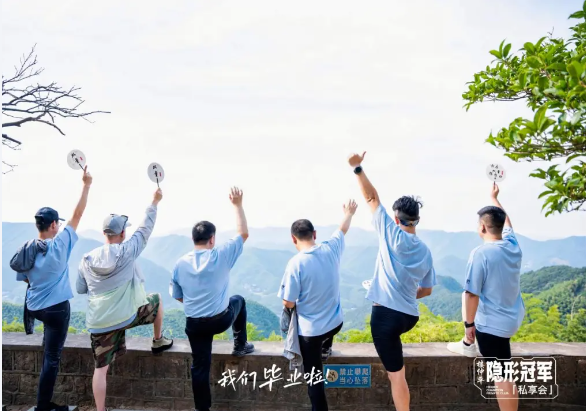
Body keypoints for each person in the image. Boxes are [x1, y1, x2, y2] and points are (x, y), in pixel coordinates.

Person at [348, 152, 436, 411]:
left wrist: (357, 167)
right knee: (397, 369)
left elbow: (371, 198)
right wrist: (405, 293)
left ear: (396, 219)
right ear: (417, 220)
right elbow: (427, 290)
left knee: (396, 376)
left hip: (385, 317)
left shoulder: (390, 233)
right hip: (409, 316)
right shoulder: (426, 251)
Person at [77, 188, 173, 411]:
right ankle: (158, 340)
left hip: (99, 322)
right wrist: (154, 202)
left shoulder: (86, 259)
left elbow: (81, 288)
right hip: (127, 316)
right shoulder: (127, 251)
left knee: (100, 370)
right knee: (157, 299)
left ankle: (100, 410)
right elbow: (145, 229)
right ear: (122, 233)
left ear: (104, 233)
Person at [11, 167, 92, 411]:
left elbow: (25, 278)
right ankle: (43, 406)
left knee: (48, 349)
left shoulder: (28, 249)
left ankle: (43, 403)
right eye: (58, 223)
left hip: (35, 307)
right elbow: (78, 214)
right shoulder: (59, 246)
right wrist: (86, 184)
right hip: (56, 309)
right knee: (52, 358)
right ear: (54, 225)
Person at [170, 187, 254, 411]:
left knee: (200, 367)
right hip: (220, 320)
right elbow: (243, 233)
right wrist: (237, 205)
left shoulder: (180, 263)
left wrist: (197, 304)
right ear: (212, 239)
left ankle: (202, 409)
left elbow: (178, 296)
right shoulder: (221, 255)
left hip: (195, 324)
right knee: (239, 300)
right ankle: (240, 344)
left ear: (193, 239)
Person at [447, 182, 524, 411]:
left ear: (482, 227)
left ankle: (468, 342)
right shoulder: (512, 245)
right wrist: (494, 198)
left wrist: (469, 325)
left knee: (502, 376)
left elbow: (472, 294)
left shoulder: (481, 253)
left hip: (493, 326)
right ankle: (468, 343)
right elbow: (507, 223)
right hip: (511, 318)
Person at [278, 200, 358, 411]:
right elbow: (342, 230)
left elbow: (288, 301)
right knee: (325, 326)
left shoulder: (295, 264)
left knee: (314, 379)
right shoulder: (331, 249)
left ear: (293, 239)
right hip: (335, 324)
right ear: (314, 234)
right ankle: (326, 346)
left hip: (311, 334)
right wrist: (349, 213)